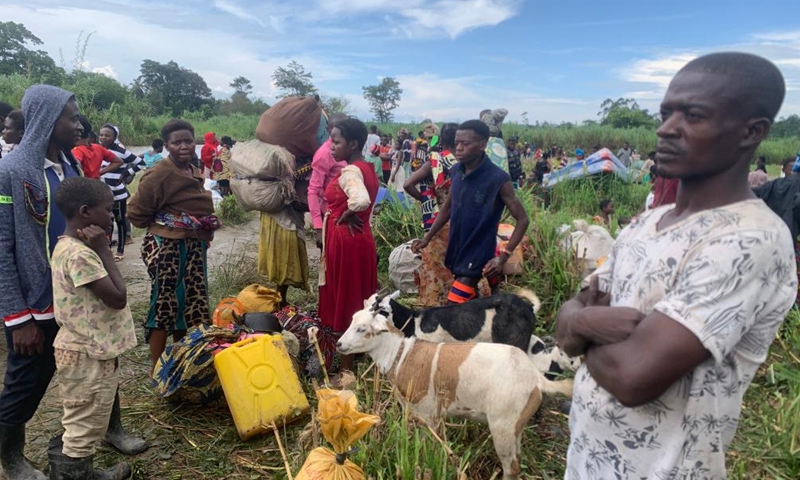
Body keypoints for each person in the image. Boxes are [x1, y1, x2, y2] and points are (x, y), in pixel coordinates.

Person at [556, 52, 795, 480]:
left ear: (752, 131)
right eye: (666, 113)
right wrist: (585, 320)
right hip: (587, 459)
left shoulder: (748, 239)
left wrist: (580, 325)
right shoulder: (646, 223)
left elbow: (632, 378)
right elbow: (566, 330)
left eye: (693, 115)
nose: (666, 129)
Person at [0, 85, 145, 480]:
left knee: (101, 364)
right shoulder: (11, 172)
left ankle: (109, 431)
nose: (79, 125)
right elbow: (3, 247)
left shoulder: (71, 168)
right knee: (25, 381)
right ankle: (12, 460)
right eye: (71, 117)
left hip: (81, 297)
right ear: (47, 120)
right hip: (38, 302)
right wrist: (17, 317)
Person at [48, 177, 135, 480]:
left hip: (81, 348)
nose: (112, 216)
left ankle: (78, 472)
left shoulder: (66, 246)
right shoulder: (82, 255)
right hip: (87, 352)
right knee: (84, 425)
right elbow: (118, 298)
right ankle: (75, 474)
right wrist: (105, 249)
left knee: (82, 417)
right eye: (108, 210)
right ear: (85, 211)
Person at [127, 119, 218, 369]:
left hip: (193, 245)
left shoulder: (192, 169)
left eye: (188, 141)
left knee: (190, 304)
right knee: (164, 306)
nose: (184, 146)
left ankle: (179, 362)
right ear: (167, 145)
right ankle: (158, 370)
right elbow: (136, 213)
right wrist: (167, 224)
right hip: (168, 247)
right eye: (177, 142)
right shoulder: (160, 173)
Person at [413, 120, 529, 303]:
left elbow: (523, 220)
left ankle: (491, 298)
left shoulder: (498, 179)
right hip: (457, 248)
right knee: (471, 304)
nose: (458, 148)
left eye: (465, 143)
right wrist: (427, 238)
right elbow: (447, 208)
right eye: (457, 143)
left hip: (478, 253)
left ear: (482, 145)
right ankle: (493, 301)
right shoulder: (456, 171)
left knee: (454, 306)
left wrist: (503, 257)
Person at [317, 118, 379, 375]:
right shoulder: (367, 167)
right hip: (360, 238)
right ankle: (363, 353)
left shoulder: (351, 171)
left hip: (346, 241)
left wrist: (347, 212)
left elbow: (361, 199)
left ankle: (346, 369)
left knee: (347, 298)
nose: (331, 145)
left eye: (336, 141)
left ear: (353, 144)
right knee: (359, 295)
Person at [404, 123, 466, 306]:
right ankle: (464, 302)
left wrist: (427, 201)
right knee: (464, 264)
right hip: (462, 220)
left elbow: (407, 184)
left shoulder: (434, 161)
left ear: (442, 139)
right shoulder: (464, 163)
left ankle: (438, 305)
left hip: (438, 222)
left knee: (437, 266)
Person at [98, 124, 144, 258]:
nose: (103, 138)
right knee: (105, 221)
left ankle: (120, 250)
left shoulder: (121, 151)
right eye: (101, 135)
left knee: (120, 221)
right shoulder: (97, 149)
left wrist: (125, 173)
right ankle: (107, 250)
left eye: (107, 135)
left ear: (114, 137)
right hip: (101, 193)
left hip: (117, 193)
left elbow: (141, 163)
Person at [309, 114, 348, 248]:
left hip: (346, 212)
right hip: (330, 214)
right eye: (337, 128)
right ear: (328, 129)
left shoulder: (347, 150)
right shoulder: (324, 154)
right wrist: (318, 227)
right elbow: (313, 190)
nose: (341, 132)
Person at [72, 116, 123, 180]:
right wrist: (99, 173)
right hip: (96, 182)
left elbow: (74, 165)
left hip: (83, 183)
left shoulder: (77, 150)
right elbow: (118, 161)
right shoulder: (98, 148)